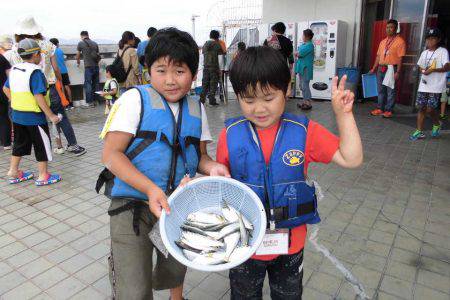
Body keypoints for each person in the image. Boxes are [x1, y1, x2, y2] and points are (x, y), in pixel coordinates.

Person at [214, 46, 363, 299]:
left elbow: (352, 158)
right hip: (243, 245)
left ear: (287, 90)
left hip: (290, 245)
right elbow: (222, 189)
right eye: (248, 100)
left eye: (268, 97)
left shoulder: (305, 131)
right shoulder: (229, 134)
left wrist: (344, 115)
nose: (259, 108)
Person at [98, 27, 229, 300]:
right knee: (133, 286)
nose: (170, 80)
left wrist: (212, 167)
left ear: (193, 74)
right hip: (131, 206)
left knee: (175, 265)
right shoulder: (134, 100)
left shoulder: (197, 107)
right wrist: (149, 189)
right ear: (148, 71)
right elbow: (111, 155)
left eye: (179, 71)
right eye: (161, 70)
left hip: (175, 205)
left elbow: (200, 156)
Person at [12, 16, 86, 156]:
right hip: (49, 87)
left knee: (39, 119)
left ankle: (49, 148)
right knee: (59, 116)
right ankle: (72, 145)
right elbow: (56, 68)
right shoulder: (47, 45)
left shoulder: (17, 47)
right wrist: (61, 83)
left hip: (27, 90)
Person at [3, 39, 62, 186]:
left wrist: (16, 102)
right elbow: (38, 96)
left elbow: (5, 89)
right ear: (36, 54)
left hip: (17, 115)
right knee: (41, 145)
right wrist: (52, 116)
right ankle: (43, 175)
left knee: (19, 143)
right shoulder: (35, 72)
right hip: (34, 117)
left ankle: (13, 171)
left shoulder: (15, 69)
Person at [410, 28, 449, 141]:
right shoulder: (424, 52)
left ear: (438, 40)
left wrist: (433, 70)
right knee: (421, 107)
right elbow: (421, 65)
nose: (430, 41)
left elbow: (447, 66)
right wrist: (424, 70)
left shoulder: (443, 51)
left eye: (433, 39)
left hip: (436, 86)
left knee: (430, 109)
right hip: (424, 85)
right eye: (428, 39)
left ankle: (436, 124)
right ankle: (419, 131)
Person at [370, 19, 406, 118]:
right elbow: (378, 56)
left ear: (395, 29)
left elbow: (400, 58)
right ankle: (380, 108)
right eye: (387, 27)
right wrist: (373, 68)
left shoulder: (400, 41)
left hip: (391, 69)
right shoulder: (383, 42)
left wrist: (398, 71)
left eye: (391, 27)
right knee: (380, 90)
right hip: (381, 68)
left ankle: (389, 110)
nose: (388, 29)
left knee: (391, 90)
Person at [200, 30, 226, 106]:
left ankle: (202, 100)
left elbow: (202, 58)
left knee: (205, 83)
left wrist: (204, 65)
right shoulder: (217, 45)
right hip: (214, 67)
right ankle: (212, 100)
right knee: (213, 84)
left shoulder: (205, 45)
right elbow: (220, 58)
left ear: (210, 36)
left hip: (205, 67)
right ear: (217, 37)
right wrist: (221, 69)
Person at [77, 30, 100, 108]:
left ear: (82, 36)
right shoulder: (95, 43)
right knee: (96, 84)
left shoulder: (81, 43)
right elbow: (98, 55)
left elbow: (78, 55)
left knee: (88, 84)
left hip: (88, 67)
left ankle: (89, 103)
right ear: (88, 35)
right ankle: (96, 101)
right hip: (96, 66)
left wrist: (78, 62)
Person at [49, 38, 73, 110]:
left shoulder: (52, 51)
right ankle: (71, 104)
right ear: (57, 43)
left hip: (57, 72)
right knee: (67, 87)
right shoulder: (60, 50)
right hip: (64, 70)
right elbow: (64, 58)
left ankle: (65, 104)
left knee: (61, 87)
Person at [295, 29, 315, 110]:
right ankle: (304, 101)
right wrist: (297, 53)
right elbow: (297, 53)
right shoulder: (305, 44)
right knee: (302, 85)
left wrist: (297, 53)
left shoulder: (309, 45)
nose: (302, 37)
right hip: (302, 68)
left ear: (306, 37)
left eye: (303, 35)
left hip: (305, 68)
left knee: (305, 85)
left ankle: (308, 103)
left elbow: (299, 53)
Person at [0, 35, 13, 150]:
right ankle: (7, 143)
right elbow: (10, 75)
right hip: (2, 91)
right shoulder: (2, 58)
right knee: (4, 116)